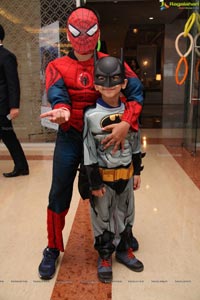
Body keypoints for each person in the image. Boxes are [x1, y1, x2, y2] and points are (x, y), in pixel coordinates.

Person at [38, 7, 143, 280]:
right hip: (72, 137)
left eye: (89, 30)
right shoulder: (57, 66)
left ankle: (118, 240)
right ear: (68, 33)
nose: (83, 37)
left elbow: (135, 93)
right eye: (77, 31)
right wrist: (61, 110)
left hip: (108, 138)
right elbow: (58, 94)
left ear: (98, 31)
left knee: (115, 193)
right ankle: (52, 247)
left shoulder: (111, 64)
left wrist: (126, 124)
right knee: (59, 191)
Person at [83, 53, 144, 283]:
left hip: (126, 176)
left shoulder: (131, 115)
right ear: (96, 84)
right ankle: (105, 256)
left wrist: (137, 171)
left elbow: (136, 144)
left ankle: (124, 250)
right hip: (103, 178)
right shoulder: (90, 116)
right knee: (102, 219)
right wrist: (94, 182)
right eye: (103, 80)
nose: (109, 86)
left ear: (124, 83)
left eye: (115, 80)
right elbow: (88, 150)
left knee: (126, 216)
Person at [0, 24, 29, 178]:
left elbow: (13, 83)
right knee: (8, 136)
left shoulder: (7, 56)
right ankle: (22, 166)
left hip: (3, 106)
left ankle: (22, 166)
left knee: (8, 135)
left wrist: (14, 107)